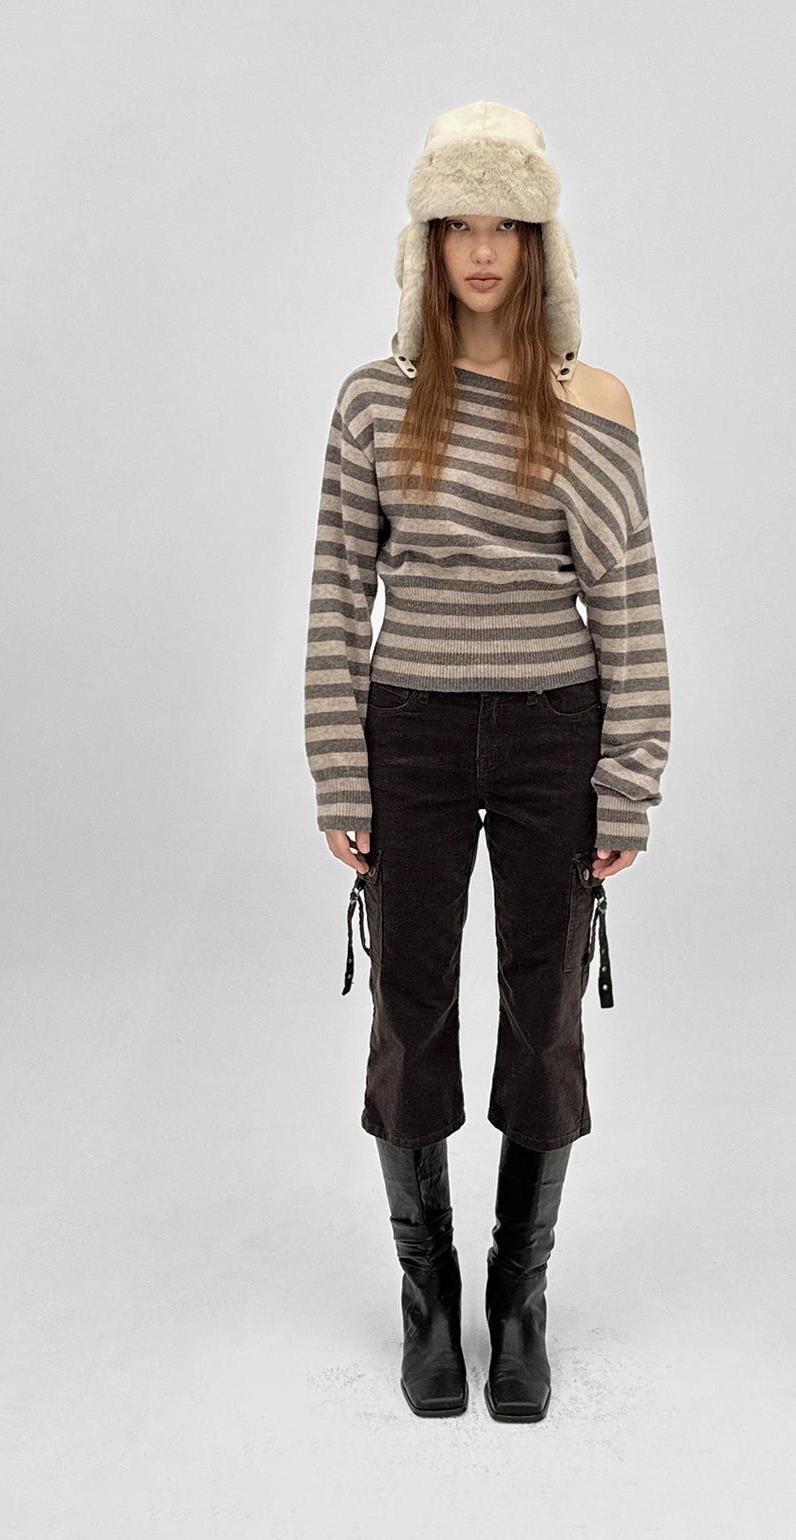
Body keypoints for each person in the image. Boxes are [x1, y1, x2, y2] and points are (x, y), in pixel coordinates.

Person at [303, 100, 671, 1422]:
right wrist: (338, 771)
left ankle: (519, 1298)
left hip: (550, 731)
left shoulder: (589, 400)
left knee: (542, 1013)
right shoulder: (373, 399)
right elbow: (338, 591)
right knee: (410, 1015)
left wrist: (629, 773)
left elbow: (627, 594)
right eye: (455, 223)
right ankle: (429, 1296)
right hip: (406, 728)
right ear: (425, 241)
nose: (478, 249)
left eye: (502, 224)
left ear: (536, 241)